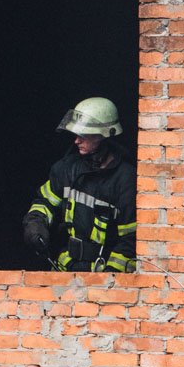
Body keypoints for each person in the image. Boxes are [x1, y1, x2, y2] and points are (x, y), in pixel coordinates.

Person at [22, 97, 137, 272]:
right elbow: (44, 202)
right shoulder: (66, 169)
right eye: (76, 134)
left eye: (84, 135)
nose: (76, 141)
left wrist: (110, 280)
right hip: (66, 268)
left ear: (104, 135)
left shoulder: (125, 179)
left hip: (103, 271)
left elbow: (131, 239)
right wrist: (35, 223)